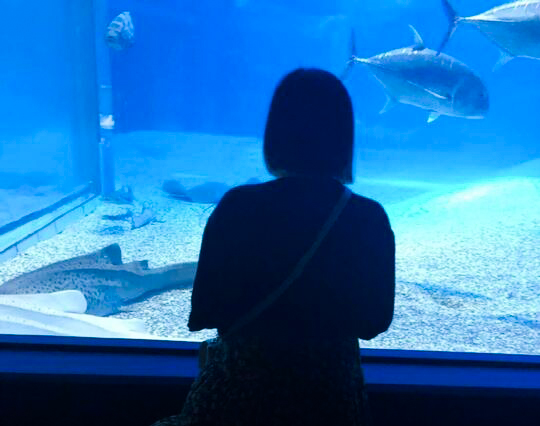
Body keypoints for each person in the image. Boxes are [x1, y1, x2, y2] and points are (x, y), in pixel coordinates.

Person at [151, 68, 395, 426]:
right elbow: (374, 321)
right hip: (331, 404)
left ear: (274, 134)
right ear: (344, 137)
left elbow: (203, 313)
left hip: (234, 402)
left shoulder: (237, 206)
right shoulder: (368, 217)